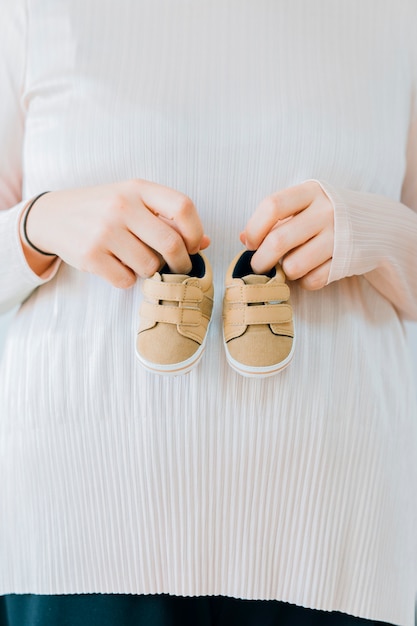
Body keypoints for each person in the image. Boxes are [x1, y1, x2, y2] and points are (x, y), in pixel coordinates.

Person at [0, 1, 416, 625]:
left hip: (334, 531)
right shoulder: (33, 11)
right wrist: (41, 222)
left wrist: (379, 233)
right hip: (81, 522)